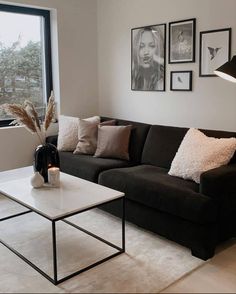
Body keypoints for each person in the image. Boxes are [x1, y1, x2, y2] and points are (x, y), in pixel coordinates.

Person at [132, 26, 164, 91]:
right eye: (141, 46)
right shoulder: (133, 77)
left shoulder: (162, 80)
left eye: (152, 46)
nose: (146, 52)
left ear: (159, 48)